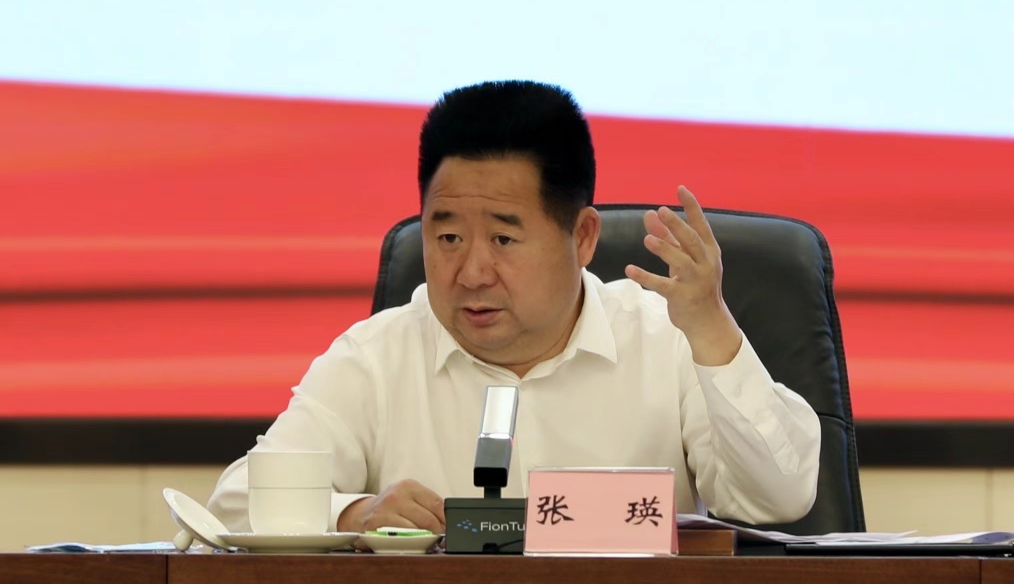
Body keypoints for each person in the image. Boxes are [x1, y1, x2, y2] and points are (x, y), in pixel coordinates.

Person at [208, 80, 820, 536]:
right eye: (448, 237)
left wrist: (711, 331)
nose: (472, 272)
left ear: (582, 237)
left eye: (503, 239)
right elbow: (234, 503)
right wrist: (351, 514)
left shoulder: (667, 339)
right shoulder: (376, 357)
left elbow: (780, 497)